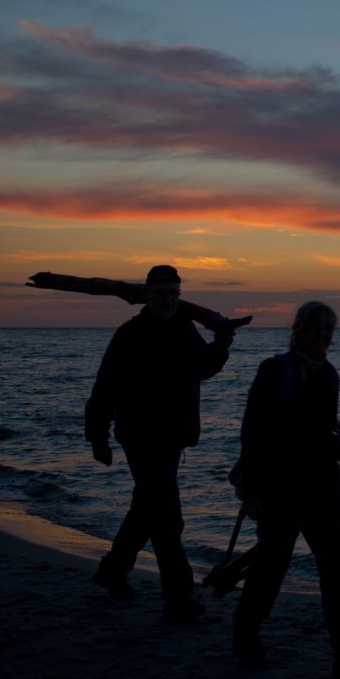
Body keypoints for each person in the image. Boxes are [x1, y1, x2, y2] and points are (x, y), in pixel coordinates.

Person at [230, 301, 340, 679]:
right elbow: (252, 432)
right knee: (270, 567)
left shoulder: (329, 374)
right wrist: (250, 488)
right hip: (280, 488)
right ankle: (246, 636)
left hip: (323, 486)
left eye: (329, 328)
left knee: (337, 570)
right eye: (316, 327)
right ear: (299, 330)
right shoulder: (274, 370)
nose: (323, 335)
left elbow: (326, 430)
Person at [86, 264, 235, 624]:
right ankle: (178, 598)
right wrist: (98, 437)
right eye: (161, 292)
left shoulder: (184, 329)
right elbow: (105, 387)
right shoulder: (130, 334)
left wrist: (221, 343)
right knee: (168, 518)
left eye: (173, 293)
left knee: (146, 510)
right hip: (140, 436)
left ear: (179, 296)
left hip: (173, 437)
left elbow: (201, 369)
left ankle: (112, 572)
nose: (167, 299)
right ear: (146, 295)